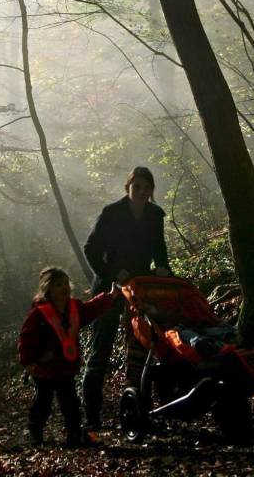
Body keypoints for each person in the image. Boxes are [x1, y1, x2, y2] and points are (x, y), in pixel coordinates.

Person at [81, 166, 171, 430]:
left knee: (143, 347)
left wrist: (163, 266)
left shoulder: (155, 215)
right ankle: (92, 419)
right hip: (110, 287)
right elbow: (91, 248)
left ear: (152, 190)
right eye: (137, 187)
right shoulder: (111, 213)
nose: (142, 192)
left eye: (147, 188)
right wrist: (111, 273)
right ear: (127, 188)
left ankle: (138, 412)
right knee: (102, 348)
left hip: (142, 287)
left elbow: (159, 247)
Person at [17, 266, 114, 446]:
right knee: (43, 404)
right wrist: (28, 361)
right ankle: (35, 433)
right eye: (58, 285)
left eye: (65, 284)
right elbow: (26, 337)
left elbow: (91, 308)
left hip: (65, 368)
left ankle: (74, 435)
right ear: (48, 290)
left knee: (70, 403)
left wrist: (109, 296)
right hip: (44, 369)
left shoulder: (74, 308)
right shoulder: (39, 313)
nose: (64, 288)